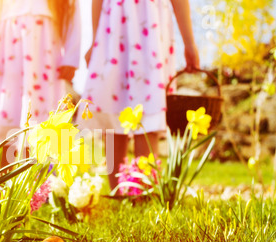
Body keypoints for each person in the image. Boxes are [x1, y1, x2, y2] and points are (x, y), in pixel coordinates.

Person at [78, 0, 200, 191]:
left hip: (149, 26)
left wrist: (189, 42)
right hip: (114, 27)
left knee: (148, 106)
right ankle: (117, 192)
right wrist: (94, 40)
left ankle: (143, 191)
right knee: (112, 105)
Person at [0, 0, 81, 164]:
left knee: (41, 123)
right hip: (8, 48)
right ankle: (3, 184)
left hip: (46, 50)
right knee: (7, 117)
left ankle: (34, 185)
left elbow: (72, 9)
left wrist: (71, 57)